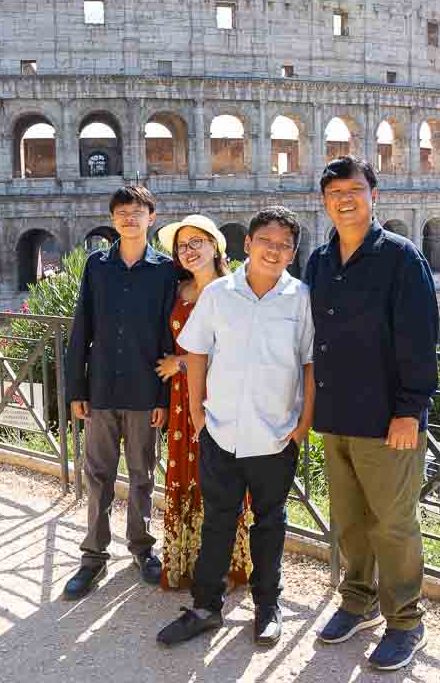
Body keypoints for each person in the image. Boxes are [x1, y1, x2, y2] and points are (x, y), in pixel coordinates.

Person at [157, 206, 315, 648]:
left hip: (275, 433)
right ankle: (206, 607)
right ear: (247, 244)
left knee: (270, 523)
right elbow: (197, 354)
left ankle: (268, 606)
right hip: (221, 430)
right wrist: (198, 415)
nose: (274, 250)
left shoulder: (300, 297)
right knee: (219, 521)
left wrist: (303, 423)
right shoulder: (219, 294)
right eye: (266, 241)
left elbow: (308, 362)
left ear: (292, 253)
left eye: (284, 245)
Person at [304, 156, 439, 671]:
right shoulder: (319, 260)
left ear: (373, 195)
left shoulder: (401, 258)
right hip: (337, 413)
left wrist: (411, 409)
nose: (345, 198)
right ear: (324, 201)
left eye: (355, 189)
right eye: (335, 191)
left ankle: (406, 621)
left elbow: (420, 337)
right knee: (350, 522)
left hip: (388, 419)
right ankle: (356, 601)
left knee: (394, 523)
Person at [63, 185, 176, 600]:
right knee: (97, 477)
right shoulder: (97, 265)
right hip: (102, 390)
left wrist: (164, 398)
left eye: (137, 211)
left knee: (143, 475)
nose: (129, 218)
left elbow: (170, 336)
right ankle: (92, 557)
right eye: (122, 212)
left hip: (147, 390)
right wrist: (76, 387)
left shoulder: (166, 271)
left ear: (152, 217)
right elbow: (82, 328)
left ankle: (143, 550)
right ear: (113, 219)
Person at [153, 215, 251, 591]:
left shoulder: (234, 291)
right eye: (182, 245)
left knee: (222, 479)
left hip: (221, 397)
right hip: (182, 399)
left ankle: (224, 564)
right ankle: (190, 560)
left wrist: (179, 362)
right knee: (187, 472)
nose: (189, 250)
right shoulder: (180, 291)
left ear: (215, 246)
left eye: (197, 242)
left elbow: (237, 348)